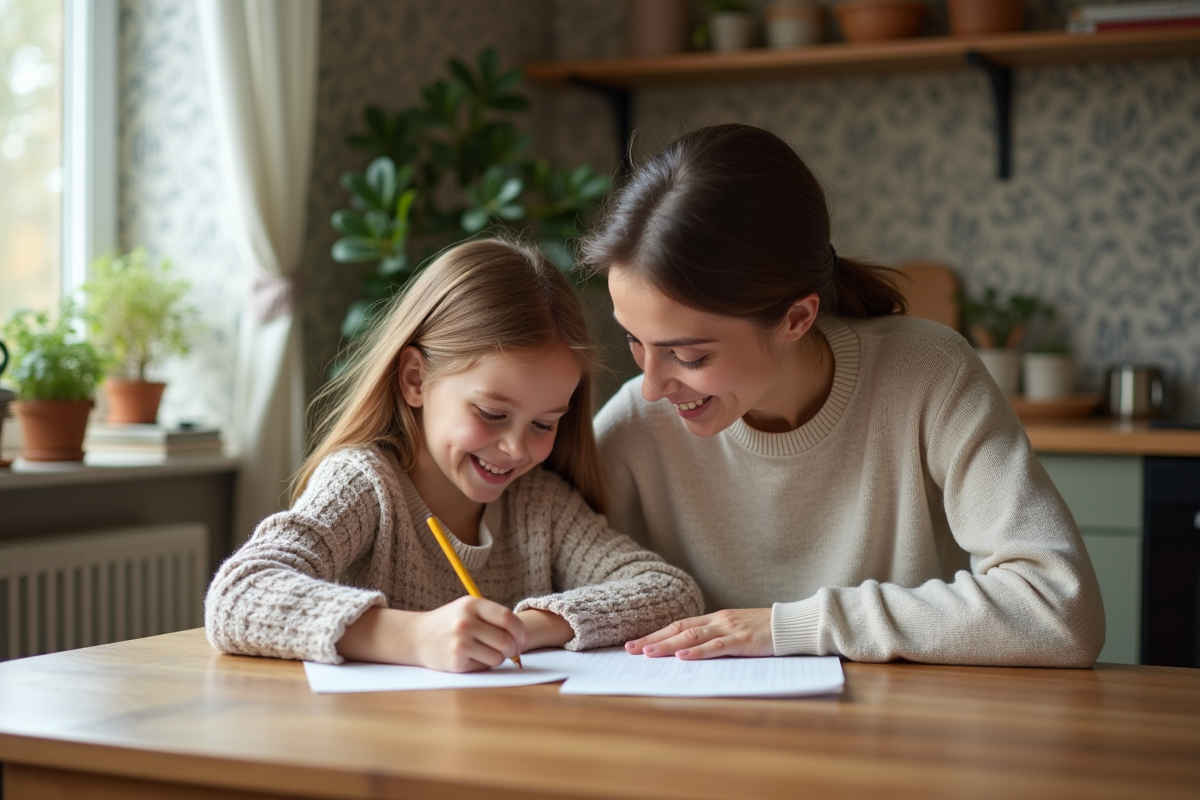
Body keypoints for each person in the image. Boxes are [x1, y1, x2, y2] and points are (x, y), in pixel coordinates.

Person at [584, 123, 1105, 667]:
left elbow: (1061, 610)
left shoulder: (930, 376)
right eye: (634, 342)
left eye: (690, 357)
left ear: (796, 318)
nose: (651, 386)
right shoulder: (635, 425)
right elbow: (535, 576)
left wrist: (795, 626)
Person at [206, 239, 702, 672]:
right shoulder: (364, 485)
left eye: (544, 424)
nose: (515, 448)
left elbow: (669, 591)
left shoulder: (538, 505)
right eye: (490, 413)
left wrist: (520, 628)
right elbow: (238, 595)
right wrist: (414, 637)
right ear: (415, 380)